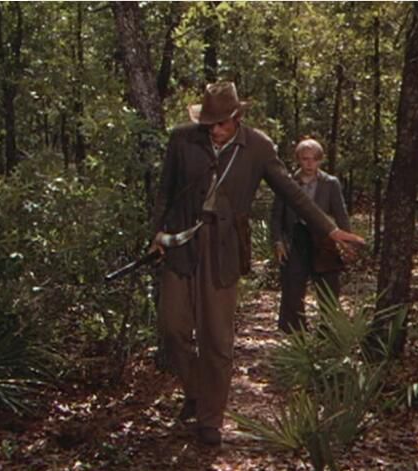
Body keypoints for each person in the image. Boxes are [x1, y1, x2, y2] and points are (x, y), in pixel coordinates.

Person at [150, 82, 364, 446]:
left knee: (217, 339)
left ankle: (210, 419)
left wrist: (329, 229)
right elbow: (165, 191)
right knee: (173, 329)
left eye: (221, 123)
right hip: (181, 244)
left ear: (237, 117)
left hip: (224, 249)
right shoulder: (182, 139)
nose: (214, 130)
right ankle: (196, 391)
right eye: (209, 123)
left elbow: (293, 194)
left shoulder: (258, 146)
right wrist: (156, 233)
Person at [271, 138, 350, 333]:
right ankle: (294, 332)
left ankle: (328, 331)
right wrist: (277, 241)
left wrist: (346, 240)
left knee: (328, 287)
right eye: (305, 159)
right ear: (298, 159)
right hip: (295, 237)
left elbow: (340, 213)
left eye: (314, 159)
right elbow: (276, 215)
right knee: (293, 287)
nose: (309, 164)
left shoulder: (330, 183)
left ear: (320, 160)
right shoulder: (287, 183)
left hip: (323, 239)